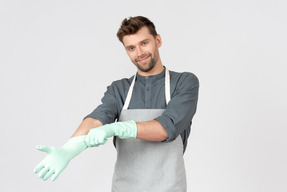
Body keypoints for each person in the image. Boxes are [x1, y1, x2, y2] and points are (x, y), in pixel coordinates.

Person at [34, 16, 199, 191]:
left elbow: (166, 128)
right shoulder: (119, 89)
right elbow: (97, 118)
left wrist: (116, 128)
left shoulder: (184, 82)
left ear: (157, 40)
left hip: (169, 186)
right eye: (131, 48)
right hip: (124, 187)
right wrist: (69, 148)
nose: (139, 53)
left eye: (144, 43)